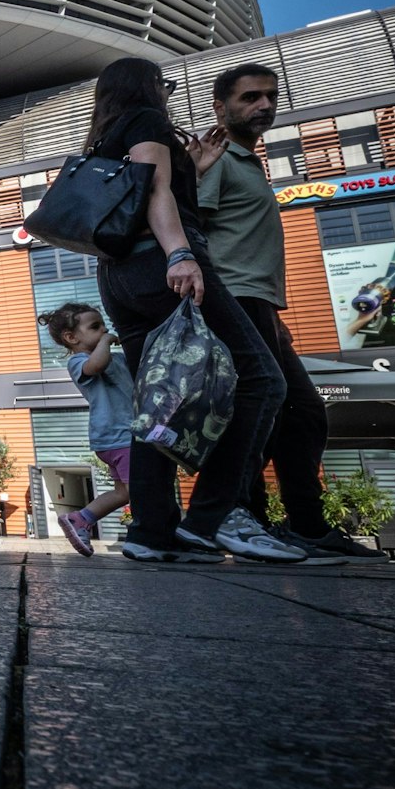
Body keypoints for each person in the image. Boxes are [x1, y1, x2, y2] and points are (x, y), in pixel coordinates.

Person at [84, 56, 302, 563]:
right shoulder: (147, 120)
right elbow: (155, 188)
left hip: (117, 277)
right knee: (260, 379)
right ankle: (210, 517)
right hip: (160, 265)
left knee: (154, 407)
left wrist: (194, 170)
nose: (169, 92)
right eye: (167, 85)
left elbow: (149, 188)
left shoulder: (104, 134)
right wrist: (181, 253)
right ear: (150, 87)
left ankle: (150, 532)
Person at [196, 63, 384, 564]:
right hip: (233, 297)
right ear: (221, 107)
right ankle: (253, 519)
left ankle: (299, 524)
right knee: (273, 407)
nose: (263, 106)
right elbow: (193, 226)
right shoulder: (216, 159)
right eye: (249, 98)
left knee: (294, 412)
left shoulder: (251, 164)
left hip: (259, 303)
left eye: (269, 98)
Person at [37, 304, 134, 557]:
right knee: (139, 488)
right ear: (72, 338)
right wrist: (107, 340)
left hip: (121, 436)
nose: (104, 330)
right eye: (95, 327)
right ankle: (150, 535)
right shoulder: (79, 361)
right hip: (118, 436)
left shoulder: (117, 359)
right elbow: (96, 366)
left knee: (123, 492)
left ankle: (81, 518)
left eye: (103, 325)